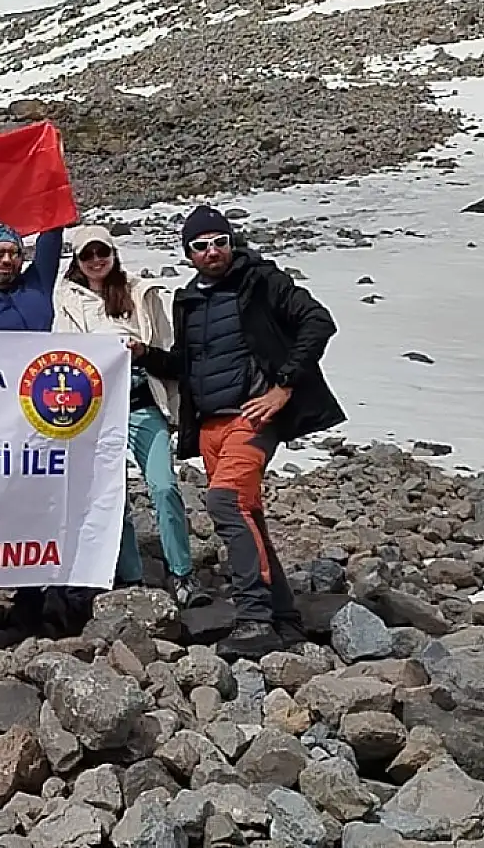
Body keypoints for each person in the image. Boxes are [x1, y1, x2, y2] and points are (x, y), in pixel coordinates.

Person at [136, 206, 345, 660]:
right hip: (210, 426)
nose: (213, 251)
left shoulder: (262, 281)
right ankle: (284, 617)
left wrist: (284, 385)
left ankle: (254, 618)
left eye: (220, 241)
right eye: (201, 245)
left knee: (224, 502)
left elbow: (318, 321)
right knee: (247, 513)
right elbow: (187, 366)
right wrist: (145, 355)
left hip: (252, 419)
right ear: (188, 253)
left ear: (232, 242)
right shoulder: (188, 298)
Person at [54, 225, 205, 608]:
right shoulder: (66, 300)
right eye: (87, 254)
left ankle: (182, 572)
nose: (96, 260)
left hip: (142, 404)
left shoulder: (141, 294)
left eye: (101, 251)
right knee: (111, 496)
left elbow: (172, 358)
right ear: (77, 260)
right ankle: (128, 575)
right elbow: (60, 356)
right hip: (97, 414)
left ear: (113, 252)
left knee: (163, 486)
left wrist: (143, 353)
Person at [0, 221, 75, 640]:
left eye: (12, 253)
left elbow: (52, 233)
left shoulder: (38, 286)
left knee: (40, 507)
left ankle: (34, 602)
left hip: (44, 415)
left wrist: (48, 166)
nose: (6, 260)